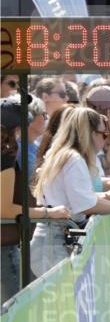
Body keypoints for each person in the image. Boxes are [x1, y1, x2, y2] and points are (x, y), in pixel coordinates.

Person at [30, 107, 110, 276]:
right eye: (104, 134)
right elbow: (86, 205)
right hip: (55, 242)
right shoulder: (73, 159)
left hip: (53, 239)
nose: (106, 139)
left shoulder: (64, 155)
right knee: (63, 299)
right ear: (90, 133)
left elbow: (79, 200)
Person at [0, 100, 70, 301]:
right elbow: (5, 209)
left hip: (8, 243)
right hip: (5, 245)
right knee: (15, 310)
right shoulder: (5, 157)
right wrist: (49, 213)